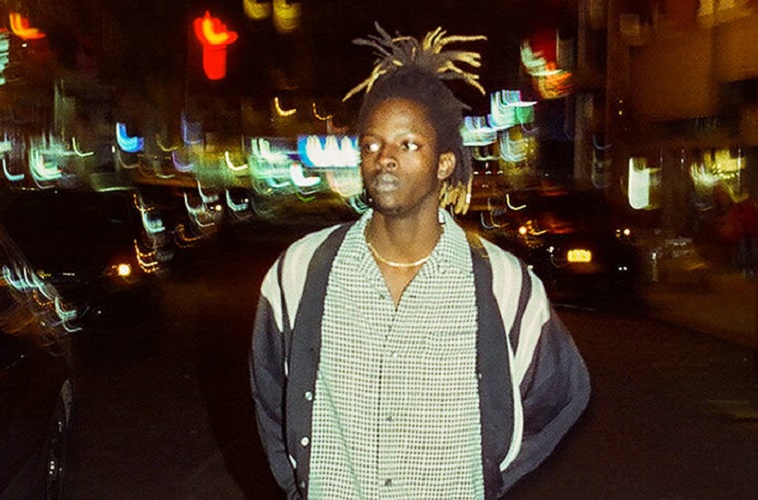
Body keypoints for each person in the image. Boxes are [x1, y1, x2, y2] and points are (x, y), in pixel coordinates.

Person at [249, 24, 590, 500]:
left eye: (408, 144)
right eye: (372, 144)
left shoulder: (502, 284)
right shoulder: (301, 272)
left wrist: (488, 476)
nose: (385, 158)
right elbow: (271, 396)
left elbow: (561, 394)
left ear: (444, 163)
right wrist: (298, 484)